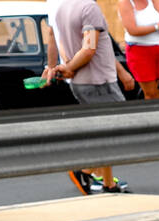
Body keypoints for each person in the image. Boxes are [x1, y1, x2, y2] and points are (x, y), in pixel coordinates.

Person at [42, 0, 129, 194]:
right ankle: (85, 169)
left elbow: (53, 37)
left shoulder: (61, 6)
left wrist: (55, 67)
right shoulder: (89, 8)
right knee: (120, 129)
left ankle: (108, 184)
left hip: (80, 82)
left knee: (103, 132)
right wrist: (69, 67)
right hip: (99, 81)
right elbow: (89, 48)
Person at [119, 0, 159, 98]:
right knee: (151, 93)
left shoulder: (153, 1)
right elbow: (132, 30)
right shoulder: (125, 3)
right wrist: (156, 27)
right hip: (139, 51)